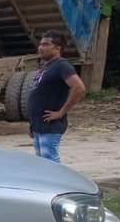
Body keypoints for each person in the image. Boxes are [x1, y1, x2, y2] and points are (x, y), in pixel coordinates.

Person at [27, 30, 86, 163]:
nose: (40, 47)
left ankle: (59, 183)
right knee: (42, 162)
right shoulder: (46, 67)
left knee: (50, 162)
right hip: (39, 125)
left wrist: (61, 112)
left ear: (57, 48)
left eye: (46, 44)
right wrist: (32, 125)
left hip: (50, 125)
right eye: (40, 44)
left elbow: (79, 88)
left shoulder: (62, 66)